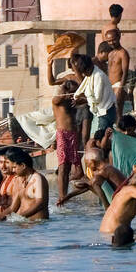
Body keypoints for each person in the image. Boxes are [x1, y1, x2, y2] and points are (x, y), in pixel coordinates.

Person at [50, 72, 82, 204]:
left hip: (74, 134)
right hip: (62, 133)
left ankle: (65, 194)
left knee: (71, 167)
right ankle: (62, 196)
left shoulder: (72, 102)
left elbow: (87, 99)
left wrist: (79, 98)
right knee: (63, 166)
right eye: (72, 92)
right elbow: (56, 99)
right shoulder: (58, 101)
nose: (73, 95)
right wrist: (64, 89)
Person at [0, 148, 49, 221]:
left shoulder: (37, 178)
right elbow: (12, 208)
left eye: (14, 167)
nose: (13, 170)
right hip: (25, 225)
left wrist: (19, 217)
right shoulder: (19, 181)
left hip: (38, 228)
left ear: (23, 166)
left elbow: (40, 203)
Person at [72, 51, 117, 135]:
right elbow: (83, 87)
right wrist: (77, 96)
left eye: (85, 72)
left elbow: (97, 99)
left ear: (89, 68)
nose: (85, 74)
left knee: (101, 137)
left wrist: (82, 99)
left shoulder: (98, 76)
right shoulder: (91, 74)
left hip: (106, 111)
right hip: (101, 111)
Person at [106, 31, 130, 119]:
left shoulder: (123, 53)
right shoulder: (110, 54)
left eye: (113, 40)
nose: (111, 42)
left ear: (118, 37)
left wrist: (121, 88)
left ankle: (119, 131)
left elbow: (125, 72)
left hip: (119, 84)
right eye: (109, 41)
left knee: (118, 112)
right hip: (110, 86)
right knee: (110, 112)